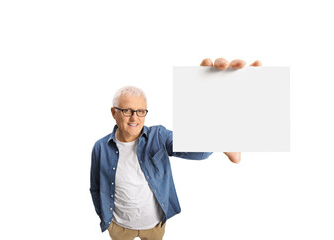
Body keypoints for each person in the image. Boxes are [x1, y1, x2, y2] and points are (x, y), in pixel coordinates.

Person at [90, 58, 262, 240]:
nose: (135, 118)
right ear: (113, 112)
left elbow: (196, 150)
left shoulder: (158, 136)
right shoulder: (100, 147)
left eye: (141, 111)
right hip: (119, 226)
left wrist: (214, 120)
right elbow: (95, 187)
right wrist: (105, 218)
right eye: (127, 111)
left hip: (155, 225)